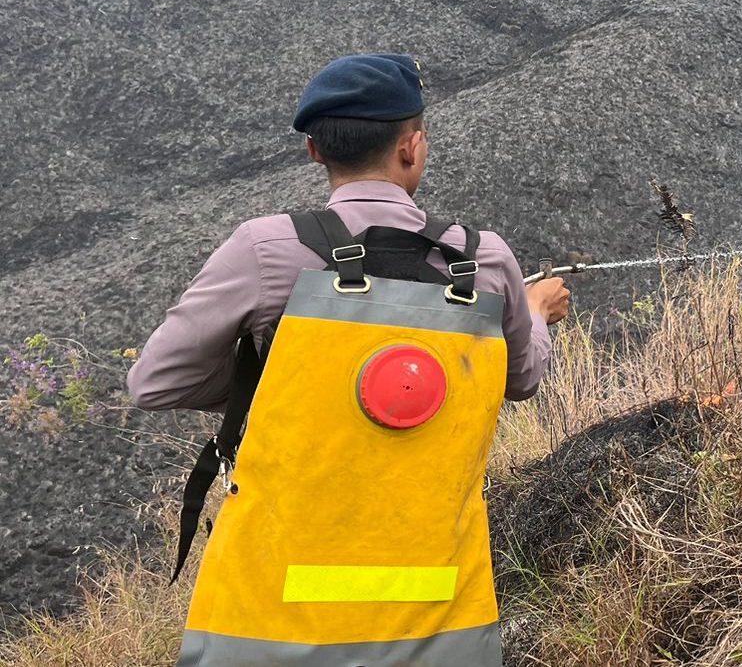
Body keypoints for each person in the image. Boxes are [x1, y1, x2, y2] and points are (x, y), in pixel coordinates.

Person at [130, 53, 569, 666]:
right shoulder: (486, 261)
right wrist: (535, 313)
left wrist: (271, 381)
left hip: (269, 616)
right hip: (437, 609)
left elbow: (154, 382)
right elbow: (521, 377)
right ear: (412, 147)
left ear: (315, 151)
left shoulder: (264, 249)